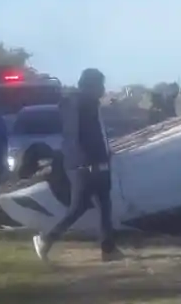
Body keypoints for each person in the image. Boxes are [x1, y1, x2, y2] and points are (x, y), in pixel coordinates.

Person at [33, 68, 118, 261]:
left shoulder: (89, 103)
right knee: (77, 207)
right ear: (91, 85)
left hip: (97, 162)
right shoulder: (78, 104)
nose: (103, 89)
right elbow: (76, 136)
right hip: (85, 165)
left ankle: (109, 249)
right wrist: (89, 161)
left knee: (105, 206)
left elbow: (97, 134)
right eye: (100, 85)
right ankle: (46, 239)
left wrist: (105, 154)